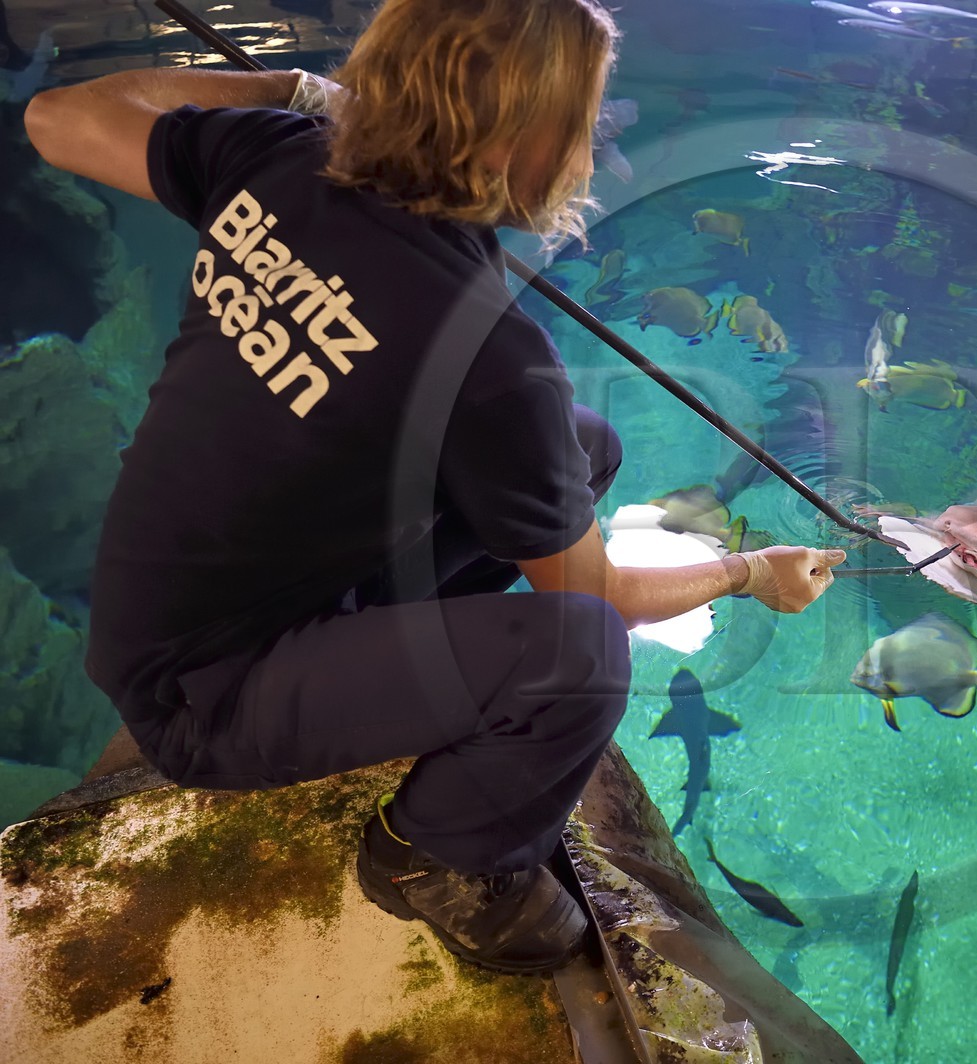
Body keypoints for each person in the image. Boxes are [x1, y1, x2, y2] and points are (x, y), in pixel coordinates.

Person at [23, 0, 846, 975]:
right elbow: (603, 602)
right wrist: (751, 571)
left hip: (154, 615)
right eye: (581, 120)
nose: (591, 148)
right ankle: (436, 859)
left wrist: (293, 96)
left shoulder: (281, 157)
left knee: (580, 450)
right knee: (580, 655)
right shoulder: (489, 354)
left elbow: (57, 118)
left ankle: (405, 684)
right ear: (518, 141)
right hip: (200, 698)